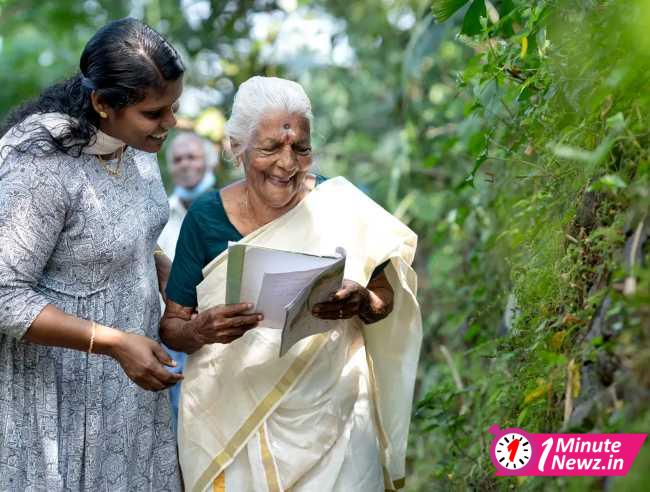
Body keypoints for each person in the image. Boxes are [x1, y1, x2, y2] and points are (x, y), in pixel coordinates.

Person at [160, 76, 421, 491]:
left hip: (336, 418)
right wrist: (200, 329)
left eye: (301, 148)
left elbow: (386, 296)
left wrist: (363, 302)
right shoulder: (205, 217)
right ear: (236, 148)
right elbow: (172, 325)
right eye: (270, 148)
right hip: (235, 421)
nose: (288, 163)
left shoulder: (338, 205)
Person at [0, 18, 184, 490]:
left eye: (174, 108)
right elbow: (3, 294)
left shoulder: (137, 145)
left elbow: (129, 234)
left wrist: (175, 277)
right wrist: (113, 342)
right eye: (155, 112)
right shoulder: (40, 164)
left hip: (129, 395)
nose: (171, 123)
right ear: (103, 103)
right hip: (59, 400)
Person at [158, 131, 219, 429]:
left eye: (192, 157)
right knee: (178, 417)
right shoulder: (160, 215)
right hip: (171, 335)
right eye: (178, 159)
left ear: (207, 162)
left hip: (219, 332)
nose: (185, 164)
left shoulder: (228, 208)